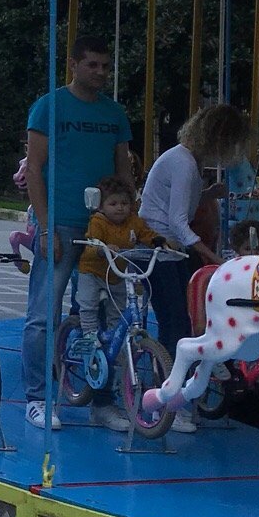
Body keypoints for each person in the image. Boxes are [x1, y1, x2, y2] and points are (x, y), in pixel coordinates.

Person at [22, 36, 136, 432]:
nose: (101, 73)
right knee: (44, 313)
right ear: (74, 65)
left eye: (106, 66)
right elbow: (34, 168)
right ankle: (38, 397)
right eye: (93, 65)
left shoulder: (114, 113)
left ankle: (101, 399)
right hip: (63, 221)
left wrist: (130, 219)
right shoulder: (49, 106)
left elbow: (123, 169)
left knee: (106, 312)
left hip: (104, 227)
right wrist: (45, 223)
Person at [136, 103, 247, 434]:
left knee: (188, 320)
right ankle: (171, 400)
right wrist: (211, 255)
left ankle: (180, 391)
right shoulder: (184, 163)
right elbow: (177, 221)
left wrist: (209, 193)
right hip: (158, 248)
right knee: (176, 323)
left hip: (170, 249)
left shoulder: (187, 162)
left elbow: (179, 203)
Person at [72, 177, 156, 431]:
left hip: (118, 272)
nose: (119, 208)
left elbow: (146, 234)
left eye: (124, 203)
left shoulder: (134, 222)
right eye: (113, 203)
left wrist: (159, 242)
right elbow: (92, 241)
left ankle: (115, 342)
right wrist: (101, 247)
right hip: (93, 269)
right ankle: (88, 335)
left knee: (120, 310)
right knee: (87, 303)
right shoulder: (98, 221)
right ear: (102, 206)